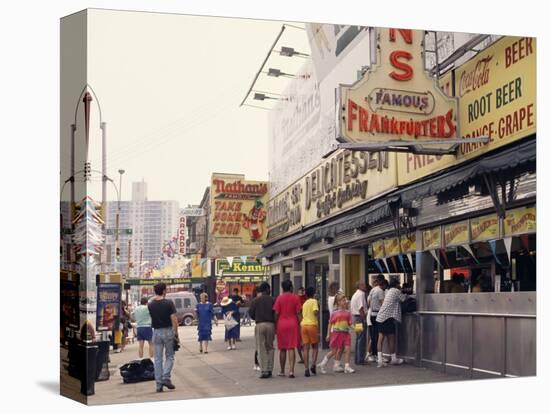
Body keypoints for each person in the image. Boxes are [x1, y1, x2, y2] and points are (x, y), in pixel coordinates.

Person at [148, 282, 178, 392]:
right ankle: (166, 377)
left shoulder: (150, 304)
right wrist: (176, 334)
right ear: (164, 291)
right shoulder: (169, 303)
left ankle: (158, 384)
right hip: (168, 331)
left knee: (158, 359)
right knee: (170, 356)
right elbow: (174, 319)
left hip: (156, 332)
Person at [317, 293, 355, 374]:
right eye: (343, 300)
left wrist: (354, 327)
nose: (345, 302)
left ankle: (347, 366)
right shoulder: (335, 313)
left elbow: (350, 323)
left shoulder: (348, 313)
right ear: (338, 302)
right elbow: (330, 323)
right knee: (334, 351)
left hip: (346, 334)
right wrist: (328, 334)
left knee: (347, 349)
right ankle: (323, 364)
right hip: (337, 334)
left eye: (345, 300)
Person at [376, 278, 408, 368]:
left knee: (380, 338)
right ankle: (393, 358)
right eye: (399, 284)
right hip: (388, 317)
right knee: (391, 338)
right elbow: (403, 299)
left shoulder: (389, 291)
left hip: (381, 316)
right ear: (396, 284)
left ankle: (379, 360)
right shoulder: (396, 291)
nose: (400, 285)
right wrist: (404, 292)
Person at [273, 279, 301, 378]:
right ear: (290, 287)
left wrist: (275, 324)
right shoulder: (296, 298)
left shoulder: (279, 298)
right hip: (293, 324)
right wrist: (299, 323)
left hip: (281, 325)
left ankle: (281, 371)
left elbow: (276, 313)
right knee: (291, 347)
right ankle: (291, 371)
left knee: (282, 348)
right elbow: (298, 313)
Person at [249, 282, 276, 379]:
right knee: (270, 347)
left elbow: (251, 313)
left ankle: (264, 370)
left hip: (260, 324)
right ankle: (269, 369)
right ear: (267, 289)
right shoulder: (273, 299)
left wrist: (257, 317)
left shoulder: (256, 300)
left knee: (261, 347)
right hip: (271, 324)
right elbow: (276, 313)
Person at [366, 275, 386, 363]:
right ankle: (377, 356)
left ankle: (371, 354)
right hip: (378, 314)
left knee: (373, 336)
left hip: (371, 314)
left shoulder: (372, 290)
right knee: (377, 336)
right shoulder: (380, 291)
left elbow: (368, 302)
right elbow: (383, 304)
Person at [301, 286, 320, 377]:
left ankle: (306, 369)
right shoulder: (314, 301)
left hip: (304, 325)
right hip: (312, 325)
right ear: (313, 293)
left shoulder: (304, 303)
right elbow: (315, 312)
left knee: (306, 348)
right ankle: (313, 365)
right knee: (315, 346)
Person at [350, 281, 368, 365]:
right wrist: (364, 318)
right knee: (361, 338)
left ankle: (357, 359)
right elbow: (361, 308)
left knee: (358, 338)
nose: (365, 286)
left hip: (355, 317)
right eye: (363, 285)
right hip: (359, 318)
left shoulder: (355, 294)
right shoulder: (361, 294)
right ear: (360, 286)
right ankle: (360, 359)